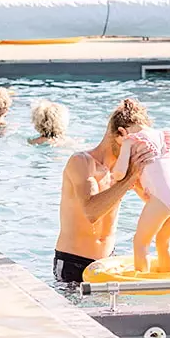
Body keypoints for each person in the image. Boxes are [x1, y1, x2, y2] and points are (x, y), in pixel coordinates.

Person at [54, 107, 153, 284]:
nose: (138, 147)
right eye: (136, 140)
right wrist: (130, 178)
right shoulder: (81, 162)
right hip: (74, 262)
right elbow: (91, 212)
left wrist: (165, 163)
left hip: (107, 263)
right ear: (120, 134)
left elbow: (151, 200)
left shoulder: (124, 169)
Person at [107, 97, 170, 273]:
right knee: (163, 242)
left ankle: (141, 282)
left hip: (162, 200)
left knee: (141, 243)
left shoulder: (131, 140)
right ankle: (167, 275)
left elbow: (119, 173)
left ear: (121, 131)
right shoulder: (166, 135)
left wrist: (122, 154)